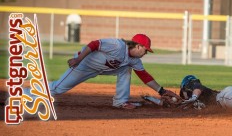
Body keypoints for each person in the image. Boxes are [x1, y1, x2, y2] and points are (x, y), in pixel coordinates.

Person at [23, 34, 181, 109]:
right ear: (138, 46)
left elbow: (144, 76)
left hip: (103, 69)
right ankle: (24, 94)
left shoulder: (134, 60)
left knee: (126, 69)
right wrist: (78, 60)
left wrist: (162, 91)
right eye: (145, 50)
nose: (146, 53)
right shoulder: (117, 45)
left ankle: (120, 102)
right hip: (84, 65)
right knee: (58, 89)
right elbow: (94, 44)